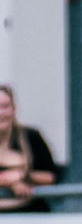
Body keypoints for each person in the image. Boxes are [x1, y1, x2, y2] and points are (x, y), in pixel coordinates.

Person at [0, 84, 59, 213]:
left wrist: (24, 176)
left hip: (30, 216)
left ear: (14, 109)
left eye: (5, 106)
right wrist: (8, 182)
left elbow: (51, 177)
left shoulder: (30, 137)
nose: (1, 113)